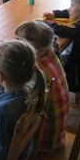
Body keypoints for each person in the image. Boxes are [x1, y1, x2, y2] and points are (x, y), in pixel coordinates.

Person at [14, 20, 68, 151]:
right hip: (56, 134)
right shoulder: (50, 54)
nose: (16, 44)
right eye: (17, 39)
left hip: (42, 140)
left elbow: (8, 82)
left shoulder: (35, 70)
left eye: (22, 42)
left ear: (41, 49)